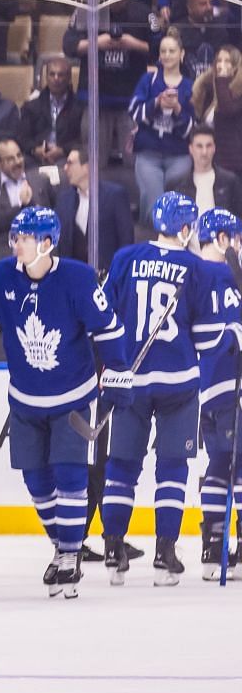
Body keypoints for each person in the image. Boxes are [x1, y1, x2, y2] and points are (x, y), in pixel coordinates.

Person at [0, 207, 127, 596]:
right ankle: (63, 546)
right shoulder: (0, 276)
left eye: (25, 238)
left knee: (70, 476)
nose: (16, 244)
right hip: (25, 400)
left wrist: (117, 371)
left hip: (72, 399)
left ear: (47, 243)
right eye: (15, 236)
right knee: (37, 482)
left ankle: (68, 555)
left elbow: (108, 328)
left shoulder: (78, 278)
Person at [98, 192, 236, 586]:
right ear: (187, 228)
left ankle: (113, 551)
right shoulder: (198, 268)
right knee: (172, 467)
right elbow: (208, 339)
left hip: (128, 381)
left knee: (121, 467)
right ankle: (164, 555)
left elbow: (103, 316)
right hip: (178, 383)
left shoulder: (125, 258)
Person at [191, 208, 242, 581]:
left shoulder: (190, 274)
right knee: (238, 465)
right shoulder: (227, 274)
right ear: (223, 240)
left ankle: (212, 545)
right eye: (236, 239)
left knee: (218, 465)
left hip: (204, 389)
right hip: (230, 384)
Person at [131, 31, 196, 218]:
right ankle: (152, 240)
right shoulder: (148, 81)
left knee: (173, 200)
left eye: (172, 51)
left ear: (181, 54)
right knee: (154, 200)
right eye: (163, 51)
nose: (167, 55)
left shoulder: (190, 87)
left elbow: (191, 129)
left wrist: (177, 109)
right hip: (148, 153)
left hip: (178, 155)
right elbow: (134, 113)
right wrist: (156, 102)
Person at [55, 147, 134, 262]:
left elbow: (126, 240)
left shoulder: (115, 196)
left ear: (87, 167)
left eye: (70, 163)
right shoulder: (64, 199)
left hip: (106, 274)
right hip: (73, 272)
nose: (65, 168)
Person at [165, 126, 242, 214]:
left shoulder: (230, 181)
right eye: (199, 146)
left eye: (208, 146)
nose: (204, 152)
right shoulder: (176, 184)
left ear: (214, 148)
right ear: (191, 149)